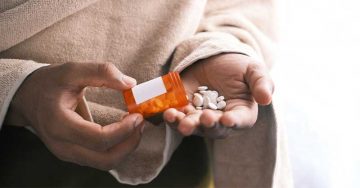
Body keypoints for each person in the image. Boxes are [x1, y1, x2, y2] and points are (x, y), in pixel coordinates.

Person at [0, 0, 292, 187]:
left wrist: (221, 45)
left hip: (178, 141)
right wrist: (17, 89)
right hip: (16, 149)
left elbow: (244, 5)